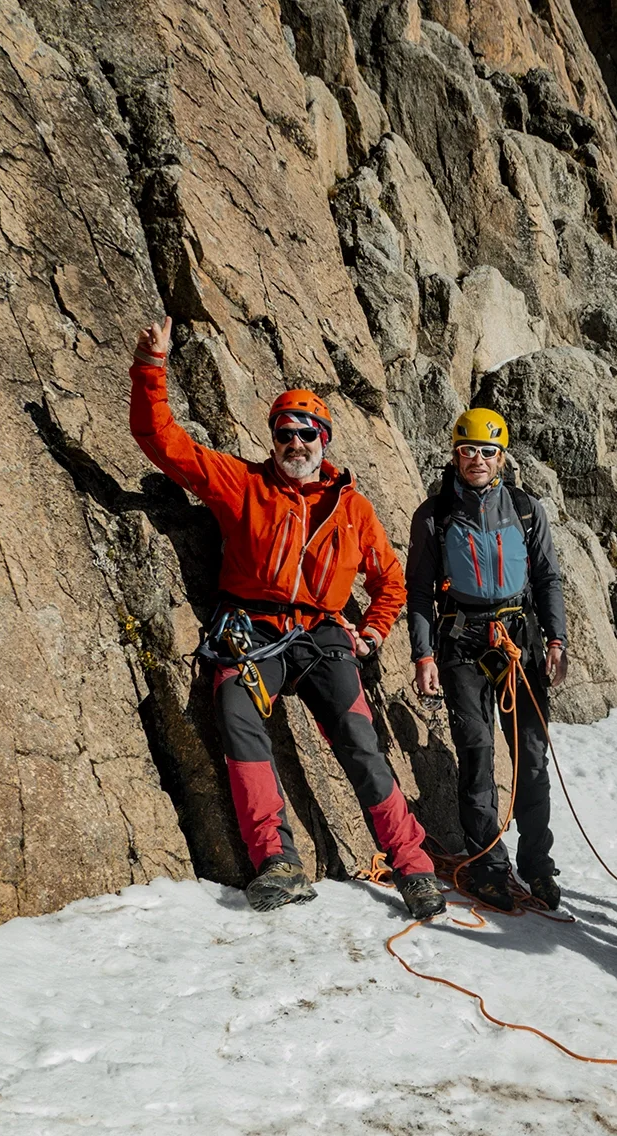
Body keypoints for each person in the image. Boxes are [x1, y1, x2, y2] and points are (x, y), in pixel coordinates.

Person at [129, 316, 444, 920]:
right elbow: (160, 439)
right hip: (250, 627)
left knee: (359, 741)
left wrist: (374, 630)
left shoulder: (352, 508)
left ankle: (413, 866)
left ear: (324, 440)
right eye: (283, 434)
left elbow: (391, 581)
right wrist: (152, 369)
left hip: (324, 635)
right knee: (238, 720)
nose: (294, 444)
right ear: (272, 439)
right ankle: (277, 860)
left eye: (305, 434)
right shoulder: (241, 483)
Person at [407, 409, 568, 912]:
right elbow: (418, 591)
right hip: (461, 642)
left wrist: (557, 640)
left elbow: (547, 579)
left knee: (531, 757)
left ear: (502, 457)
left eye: (487, 451)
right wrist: (424, 652)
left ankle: (537, 865)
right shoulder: (432, 516)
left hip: (519, 639)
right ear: (455, 454)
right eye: (469, 450)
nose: (477, 459)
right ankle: (488, 863)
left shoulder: (525, 509)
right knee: (476, 753)